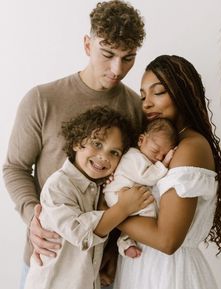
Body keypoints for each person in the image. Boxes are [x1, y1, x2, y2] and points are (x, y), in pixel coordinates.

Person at [2, 1, 146, 288]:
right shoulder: (42, 99)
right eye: (108, 54)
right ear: (87, 45)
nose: (118, 69)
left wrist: (116, 251)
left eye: (128, 58)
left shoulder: (134, 107)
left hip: (98, 266)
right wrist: (34, 218)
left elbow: (133, 179)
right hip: (47, 258)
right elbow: (14, 168)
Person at [112, 54, 221, 289]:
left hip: (169, 274)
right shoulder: (157, 147)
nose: (146, 103)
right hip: (141, 265)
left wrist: (107, 212)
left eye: (157, 92)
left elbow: (167, 240)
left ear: (182, 92)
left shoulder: (190, 147)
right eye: (143, 95)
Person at [23, 106, 153, 289]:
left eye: (114, 153)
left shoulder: (101, 189)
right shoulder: (59, 185)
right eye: (97, 144)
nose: (103, 157)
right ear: (77, 143)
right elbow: (80, 233)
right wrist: (123, 208)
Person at [103, 118, 178, 258]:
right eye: (155, 150)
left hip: (123, 194)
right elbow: (147, 177)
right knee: (149, 208)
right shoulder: (133, 157)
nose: (158, 157)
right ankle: (145, 235)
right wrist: (165, 163)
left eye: (163, 155)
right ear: (141, 140)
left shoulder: (143, 157)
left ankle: (126, 241)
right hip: (117, 194)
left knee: (139, 214)